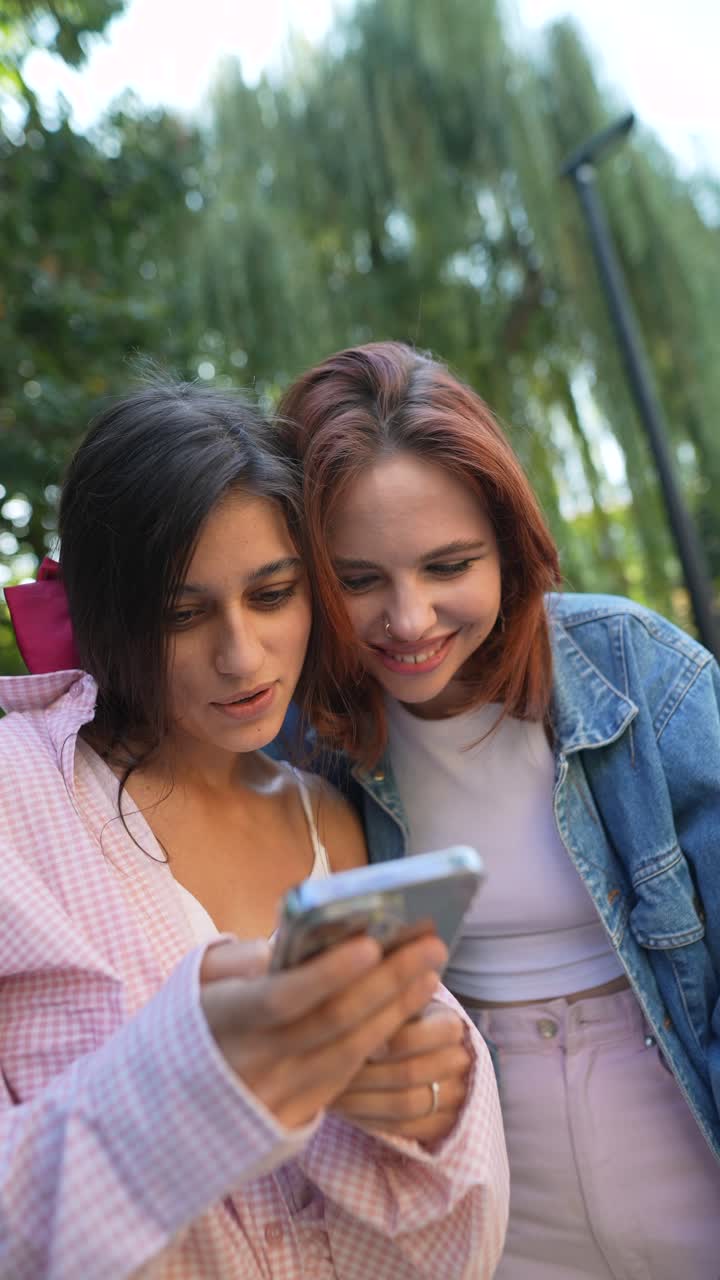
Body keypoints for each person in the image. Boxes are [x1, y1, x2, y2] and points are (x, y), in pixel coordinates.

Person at [0, 380, 509, 1279]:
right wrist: (200, 1074)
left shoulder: (331, 819)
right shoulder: (19, 797)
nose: (241, 657)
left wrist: (429, 1104)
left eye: (272, 595)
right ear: (107, 610)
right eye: (181, 615)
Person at [276, 341, 720, 1279]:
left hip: (684, 1110)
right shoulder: (306, 744)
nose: (410, 619)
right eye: (358, 579)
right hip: (488, 1175)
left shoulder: (637, 671)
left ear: (509, 549)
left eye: (449, 566)